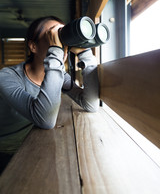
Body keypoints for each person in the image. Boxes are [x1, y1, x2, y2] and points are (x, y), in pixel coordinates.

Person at [0, 16, 99, 174]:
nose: (59, 42)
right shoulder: (6, 77)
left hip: (32, 145)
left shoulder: (58, 76)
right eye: (51, 35)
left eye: (61, 35)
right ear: (33, 46)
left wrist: (86, 54)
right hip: (5, 153)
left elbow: (90, 104)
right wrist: (56, 53)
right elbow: (45, 120)